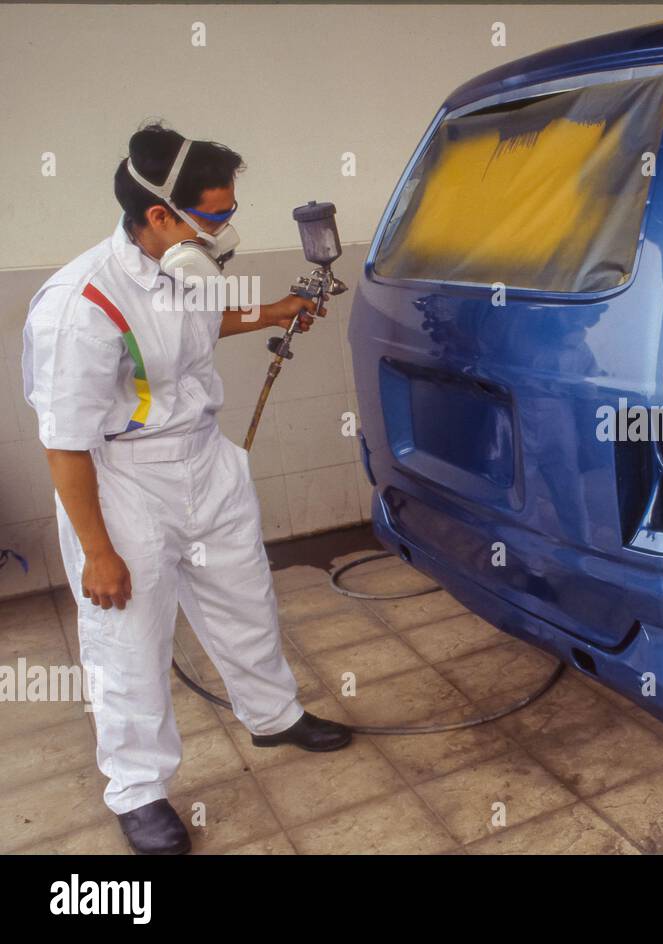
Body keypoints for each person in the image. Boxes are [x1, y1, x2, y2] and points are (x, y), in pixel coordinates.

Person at [22, 123, 353, 855]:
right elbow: (64, 442)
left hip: (206, 461)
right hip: (123, 484)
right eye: (215, 215)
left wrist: (269, 313)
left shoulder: (184, 268)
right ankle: (138, 790)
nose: (227, 226)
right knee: (129, 642)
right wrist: (97, 551)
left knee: (244, 600)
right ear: (159, 217)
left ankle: (273, 716)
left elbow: (191, 326)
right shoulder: (81, 305)